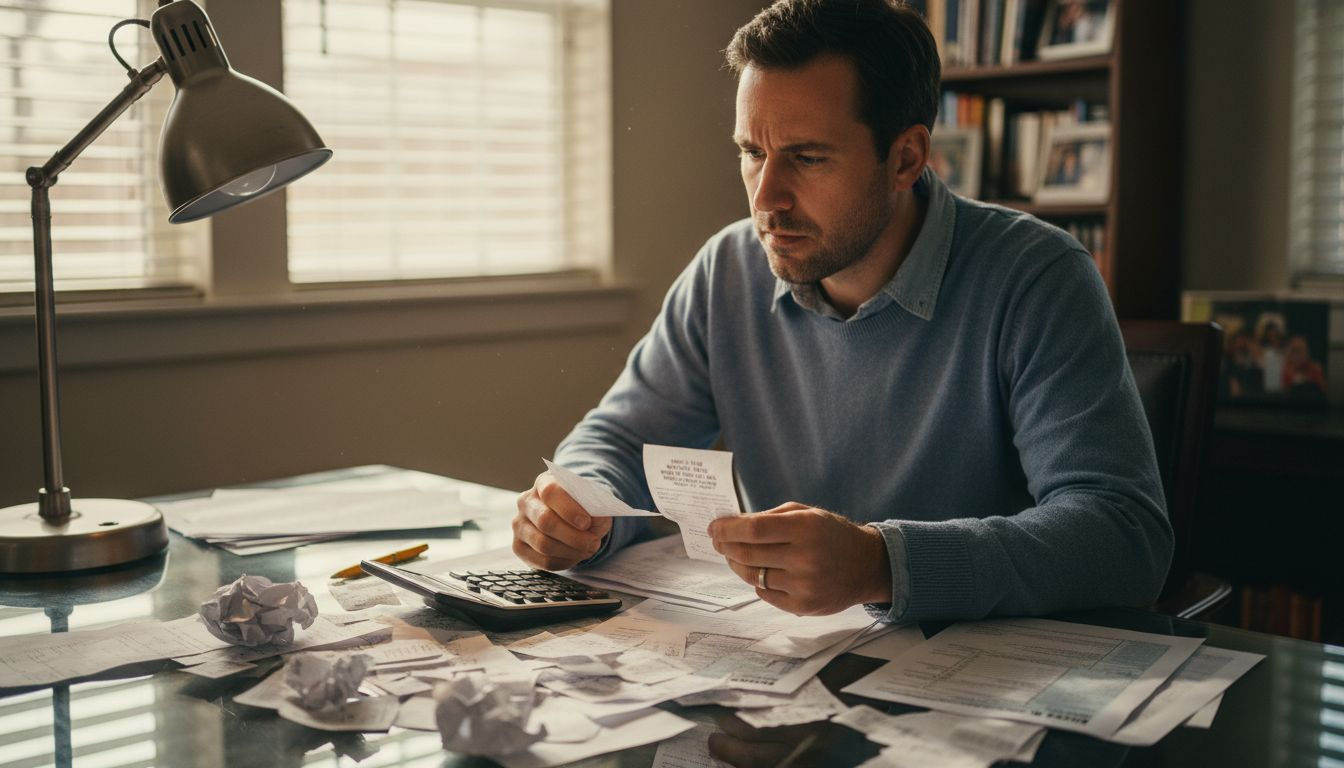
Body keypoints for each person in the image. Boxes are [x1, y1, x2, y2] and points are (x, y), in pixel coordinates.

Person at [512, 0, 1169, 624]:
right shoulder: (727, 270)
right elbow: (621, 441)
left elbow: (1122, 534)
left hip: (990, 670)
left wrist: (883, 565)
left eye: (807, 158)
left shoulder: (1038, 276)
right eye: (753, 153)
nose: (766, 198)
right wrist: (579, 509)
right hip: (783, 663)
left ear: (906, 158)